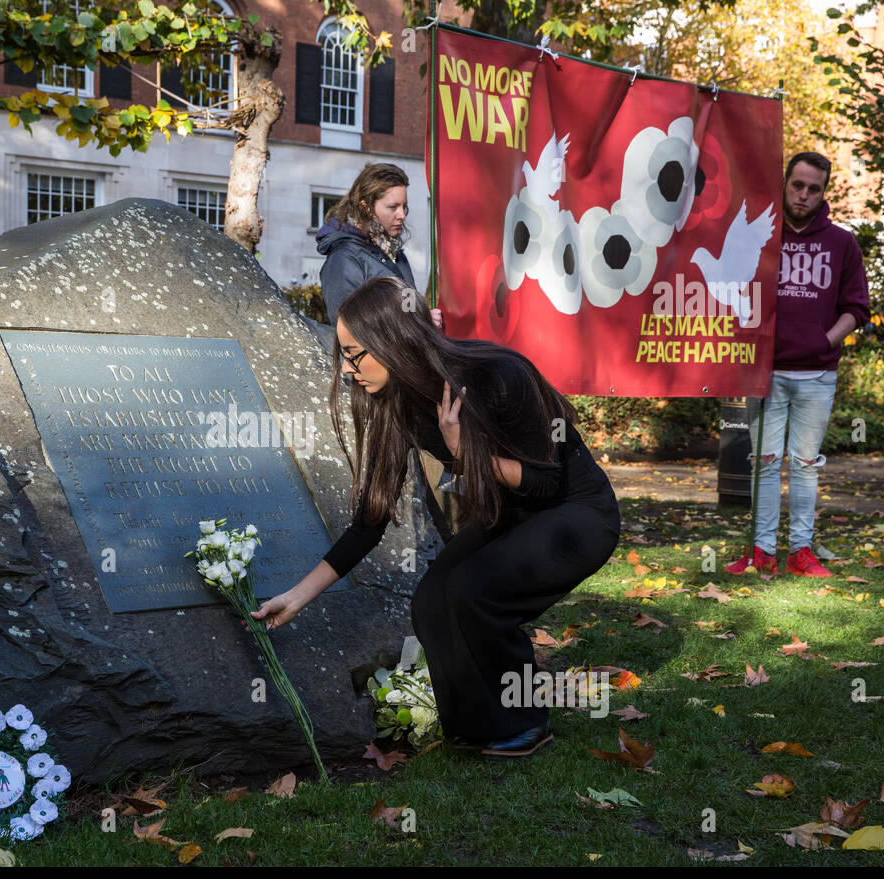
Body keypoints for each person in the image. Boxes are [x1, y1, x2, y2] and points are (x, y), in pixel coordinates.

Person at [251, 276, 621, 758]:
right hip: (509, 517)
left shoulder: (498, 374)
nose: (346, 369)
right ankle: (475, 726)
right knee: (431, 597)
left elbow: (546, 484)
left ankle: (526, 723)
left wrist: (467, 454)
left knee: (474, 591)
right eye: (342, 354)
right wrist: (297, 598)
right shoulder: (396, 402)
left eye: (354, 353)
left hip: (576, 513)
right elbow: (370, 519)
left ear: (392, 340)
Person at [726, 152, 870, 578]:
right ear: (785, 183)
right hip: (764, 372)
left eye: (814, 189)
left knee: (806, 465)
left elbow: (856, 309)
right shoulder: (762, 237)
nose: (804, 195)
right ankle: (761, 552)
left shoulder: (842, 243)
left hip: (816, 376)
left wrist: (822, 341)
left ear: (824, 192)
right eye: (797, 185)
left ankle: (801, 552)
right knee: (765, 463)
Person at [316, 163, 444, 331]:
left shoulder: (396, 254)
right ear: (366, 208)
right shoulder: (344, 258)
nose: (402, 215)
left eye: (404, 206)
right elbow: (350, 329)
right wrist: (413, 325)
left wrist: (424, 318)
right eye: (393, 207)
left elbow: (408, 308)